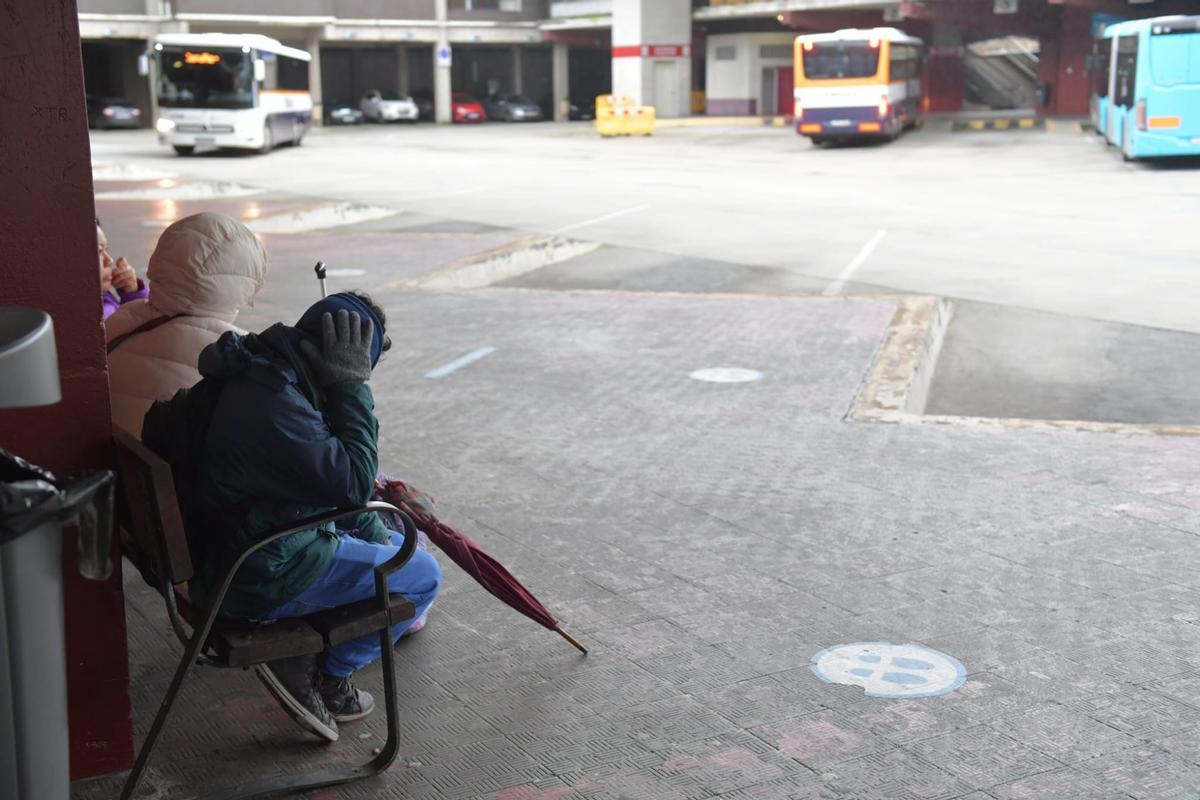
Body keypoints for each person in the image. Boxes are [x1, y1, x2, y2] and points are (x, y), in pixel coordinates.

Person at [142, 292, 441, 743]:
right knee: (421, 575)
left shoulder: (261, 372)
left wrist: (375, 531)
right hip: (251, 574)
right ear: (341, 357)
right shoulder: (277, 407)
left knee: (391, 538)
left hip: (230, 544)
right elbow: (354, 483)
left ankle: (314, 656)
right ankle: (328, 672)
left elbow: (332, 495)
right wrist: (352, 388)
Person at [106, 212, 267, 436]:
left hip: (117, 459)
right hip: (173, 469)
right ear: (241, 283)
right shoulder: (236, 353)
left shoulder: (123, 318)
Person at [97, 219, 149, 319]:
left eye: (106, 250)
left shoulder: (104, 299)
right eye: (99, 251)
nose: (109, 260)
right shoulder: (104, 313)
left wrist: (133, 291)